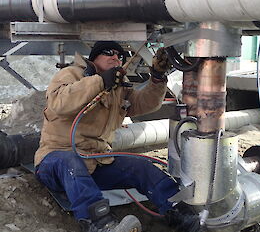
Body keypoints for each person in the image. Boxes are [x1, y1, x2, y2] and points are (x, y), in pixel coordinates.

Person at [34, 41, 184, 232]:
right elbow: (59, 102)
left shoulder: (117, 87)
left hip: (95, 162)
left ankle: (181, 213)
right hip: (56, 160)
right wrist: (100, 81)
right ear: (94, 58)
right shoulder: (71, 74)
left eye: (119, 56)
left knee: (140, 167)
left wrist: (157, 77)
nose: (116, 57)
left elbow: (144, 104)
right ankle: (101, 224)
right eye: (108, 53)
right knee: (71, 162)